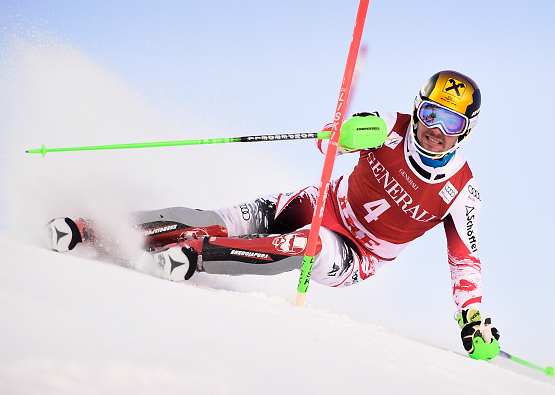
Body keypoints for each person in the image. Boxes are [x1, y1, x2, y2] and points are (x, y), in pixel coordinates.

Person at [46, 70, 500, 360]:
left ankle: (196, 256)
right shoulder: (390, 123)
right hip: (323, 201)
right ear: (418, 109)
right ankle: (96, 229)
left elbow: (466, 261)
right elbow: (328, 144)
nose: (436, 131)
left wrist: (471, 317)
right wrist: (341, 136)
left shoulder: (463, 190)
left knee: (310, 246)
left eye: (452, 124)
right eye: (432, 114)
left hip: (357, 254)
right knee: (220, 216)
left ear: (466, 132)